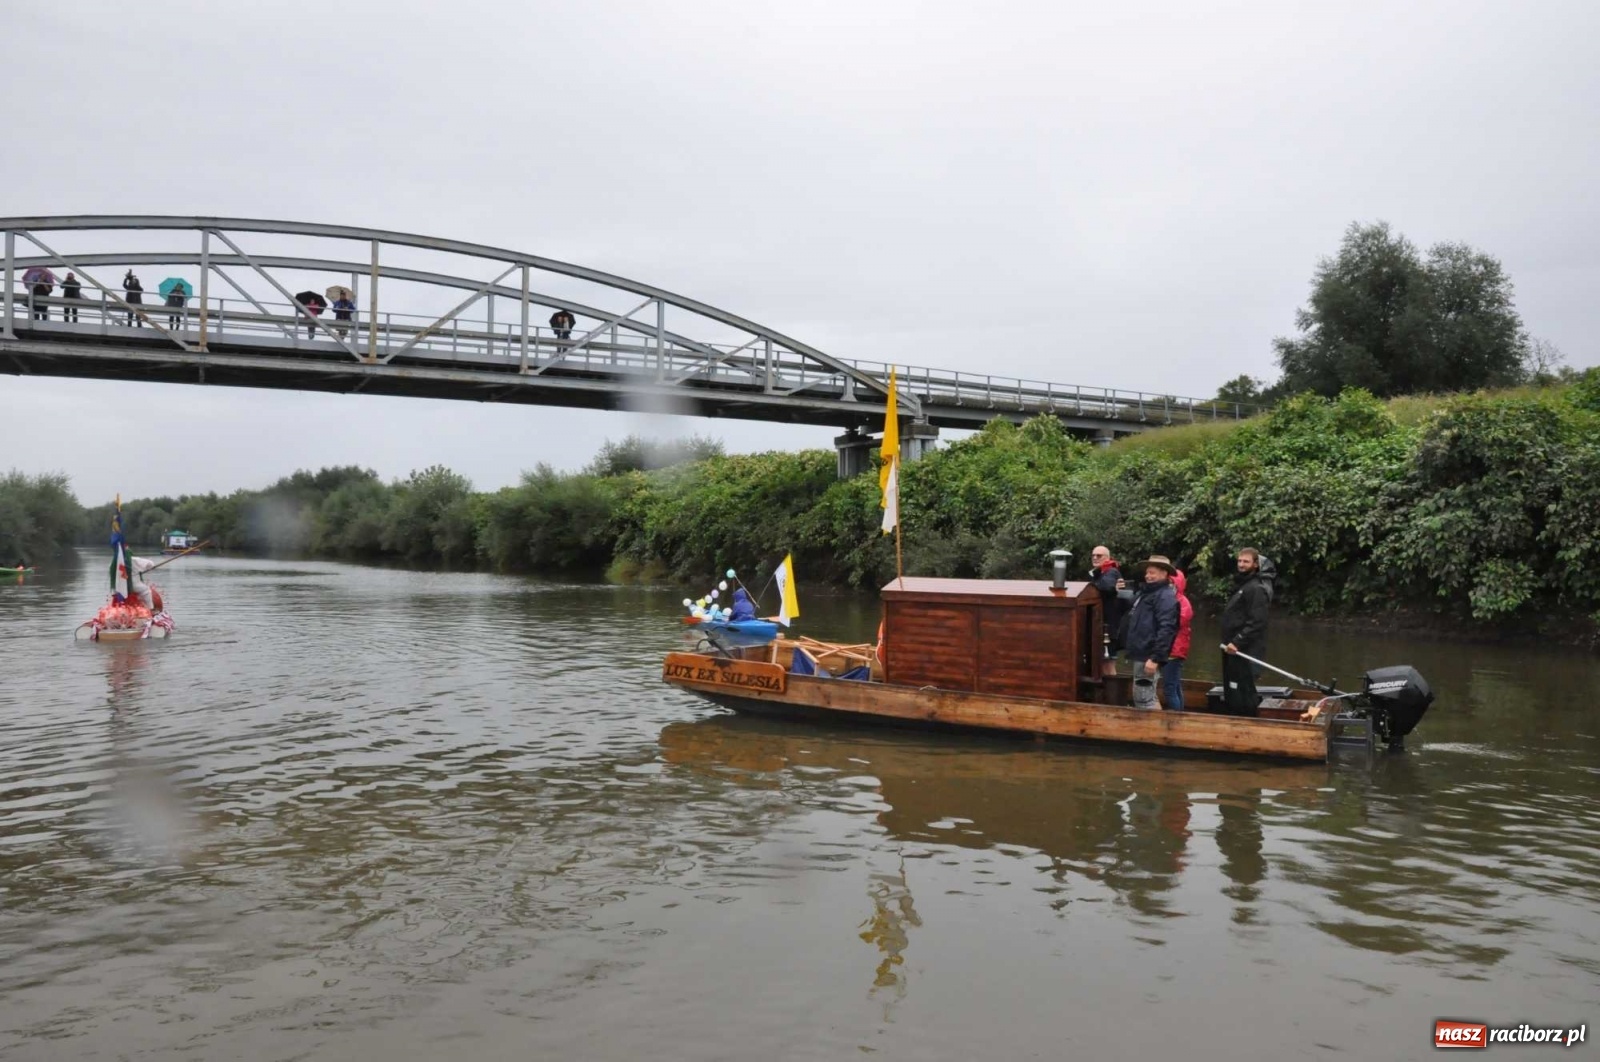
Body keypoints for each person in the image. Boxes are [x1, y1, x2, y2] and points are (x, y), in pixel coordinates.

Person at [1122, 555, 1180, 709]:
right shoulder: (1146, 593)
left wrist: (1155, 658)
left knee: (1144, 698)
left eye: (1152, 573)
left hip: (1148, 655)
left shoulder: (1165, 596)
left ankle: (1154, 725)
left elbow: (1167, 629)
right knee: (1145, 696)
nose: (1148, 576)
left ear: (1164, 574)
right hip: (1141, 653)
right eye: (1147, 572)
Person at [1221, 547, 1271, 716]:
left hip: (1244, 649)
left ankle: (1248, 719)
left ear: (1255, 564)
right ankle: (1234, 716)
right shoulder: (1242, 585)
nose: (1241, 565)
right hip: (1230, 648)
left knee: (1244, 689)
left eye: (1246, 561)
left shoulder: (1256, 588)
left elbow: (1257, 621)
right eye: (1239, 561)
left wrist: (1237, 641)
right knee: (1232, 687)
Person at [1088, 545, 1129, 676]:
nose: (1095, 558)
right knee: (1100, 664)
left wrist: (1093, 585)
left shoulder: (1111, 571)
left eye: (1099, 556)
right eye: (1093, 555)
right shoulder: (1098, 574)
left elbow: (1106, 587)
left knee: (1108, 664)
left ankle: (1112, 688)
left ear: (1107, 558)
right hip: (1100, 625)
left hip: (1109, 628)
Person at [1161, 568, 1194, 710]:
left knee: (1169, 688)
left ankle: (1176, 716)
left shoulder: (1182, 602)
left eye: (1171, 582)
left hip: (1175, 650)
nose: (1169, 585)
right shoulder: (1172, 600)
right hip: (1172, 648)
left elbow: (1175, 622)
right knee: (1175, 685)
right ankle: (1180, 713)